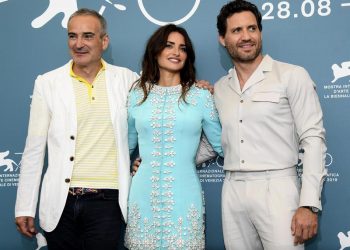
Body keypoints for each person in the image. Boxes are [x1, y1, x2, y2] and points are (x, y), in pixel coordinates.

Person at [14, 8, 138, 249]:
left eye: (88, 36)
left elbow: (159, 111)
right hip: (60, 203)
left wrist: (196, 88)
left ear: (104, 41)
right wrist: (25, 207)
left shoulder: (127, 80)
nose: (78, 43)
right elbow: (34, 148)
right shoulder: (47, 83)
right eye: (73, 36)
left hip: (108, 201)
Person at [214, 1, 327, 249]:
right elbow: (212, 142)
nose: (246, 37)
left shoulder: (292, 75)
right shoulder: (220, 88)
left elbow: (313, 138)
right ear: (222, 38)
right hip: (232, 190)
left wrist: (308, 203)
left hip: (277, 187)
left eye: (252, 29)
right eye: (237, 31)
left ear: (260, 32)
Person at [124, 24, 223, 249]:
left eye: (182, 48)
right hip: (142, 196)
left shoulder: (200, 96)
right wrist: (133, 164)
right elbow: (125, 147)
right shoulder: (137, 95)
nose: (176, 52)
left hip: (185, 196)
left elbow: (223, 144)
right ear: (155, 50)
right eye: (169, 46)